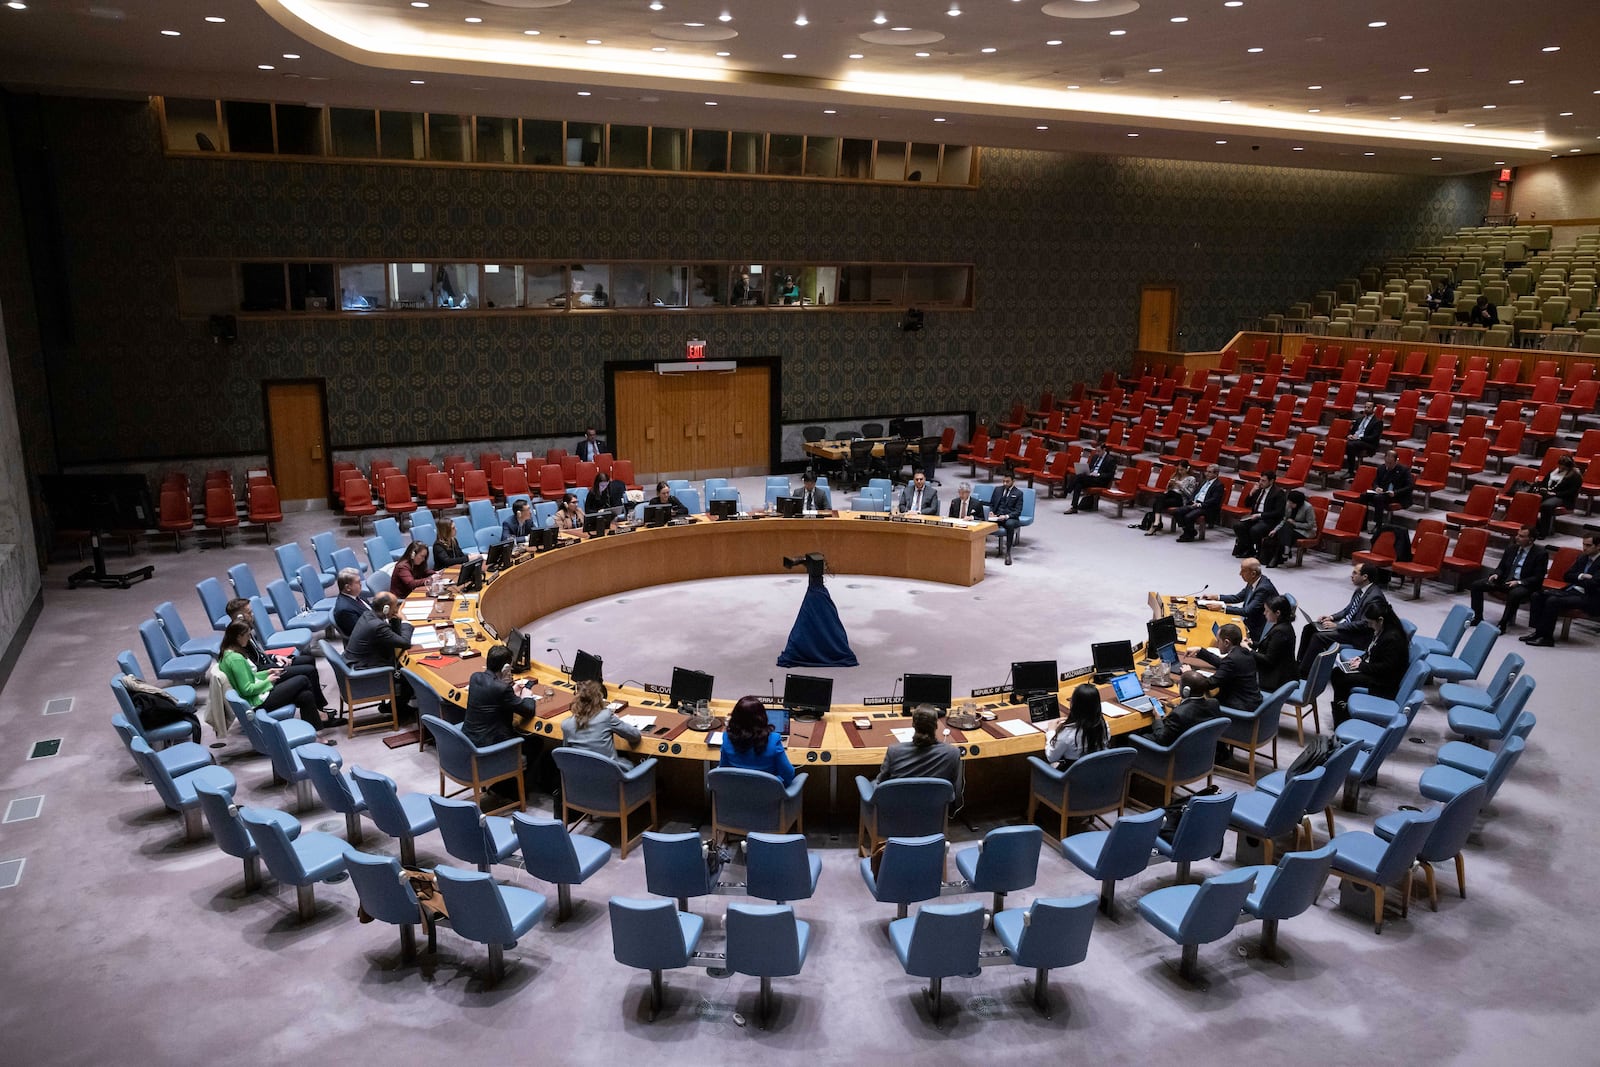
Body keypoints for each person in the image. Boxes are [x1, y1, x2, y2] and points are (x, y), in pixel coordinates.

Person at [217, 619, 329, 730]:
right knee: (303, 679)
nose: (249, 638)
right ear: (238, 636)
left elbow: (250, 676)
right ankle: (319, 713)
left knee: (306, 695)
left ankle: (315, 732)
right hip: (257, 701)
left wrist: (267, 673)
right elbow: (247, 689)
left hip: (257, 695)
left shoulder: (227, 653)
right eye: (247, 636)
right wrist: (268, 680)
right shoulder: (236, 659)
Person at [1298, 562, 1390, 673]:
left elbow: (1365, 624)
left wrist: (1338, 626)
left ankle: (1304, 672)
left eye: (1355, 573)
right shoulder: (1360, 589)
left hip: (1358, 635)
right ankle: (1300, 662)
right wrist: (1331, 617)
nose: (1351, 575)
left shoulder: (1374, 597)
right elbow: (1348, 610)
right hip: (1348, 626)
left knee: (1318, 637)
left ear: (1365, 577)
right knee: (1309, 628)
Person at [1330, 600, 1410, 725]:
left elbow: (1387, 668)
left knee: (1343, 679)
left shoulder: (1393, 638)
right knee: (1337, 672)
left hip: (1384, 682)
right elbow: (1373, 650)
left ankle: (1342, 717)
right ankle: (1341, 709)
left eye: (1370, 623)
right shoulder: (1383, 631)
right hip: (1376, 671)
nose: (1369, 626)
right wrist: (1362, 658)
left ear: (1380, 620)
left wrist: (1362, 666)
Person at [874, 704, 964, 806]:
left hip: (896, 811)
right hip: (933, 812)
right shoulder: (952, 753)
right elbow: (951, 785)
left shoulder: (894, 751)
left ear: (913, 724)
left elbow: (881, 783)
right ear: (936, 725)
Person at [1522, 530, 1600, 647]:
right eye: (1583, 544)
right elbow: (1567, 576)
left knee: (1553, 600)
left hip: (1589, 597)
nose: (1584, 548)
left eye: (1588, 545)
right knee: (1537, 595)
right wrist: (1582, 576)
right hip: (1573, 591)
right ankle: (1538, 632)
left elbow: (1594, 584)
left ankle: (1547, 638)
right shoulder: (1582, 558)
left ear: (1598, 546)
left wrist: (1578, 578)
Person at [1469, 525, 1548, 630]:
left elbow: (1538, 577)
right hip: (1505, 580)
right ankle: (1477, 617)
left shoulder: (1540, 553)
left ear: (1531, 540)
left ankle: (1503, 623)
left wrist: (1519, 582)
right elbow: (1501, 567)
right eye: (1517, 534)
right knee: (1476, 585)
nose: (1517, 537)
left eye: (1521, 536)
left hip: (1524, 585)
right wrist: (1496, 574)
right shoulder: (1512, 548)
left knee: (1515, 593)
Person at [463, 643, 538, 748]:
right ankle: (511, 763)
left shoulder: (475, 677)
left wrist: (510, 690)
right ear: (506, 667)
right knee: (537, 743)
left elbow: (493, 696)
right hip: (491, 744)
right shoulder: (502, 688)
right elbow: (528, 711)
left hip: (469, 739)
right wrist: (526, 695)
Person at [560, 679, 641, 772]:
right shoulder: (606, 716)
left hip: (581, 778)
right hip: (610, 776)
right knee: (635, 763)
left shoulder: (566, 725)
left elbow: (566, 755)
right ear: (599, 699)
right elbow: (635, 736)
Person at [1182, 622, 1262, 711]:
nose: (1217, 644)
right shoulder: (1243, 652)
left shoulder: (1231, 660)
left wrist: (1189, 675)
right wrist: (1200, 651)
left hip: (1241, 704)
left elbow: (1210, 684)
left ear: (1227, 642)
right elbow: (1222, 663)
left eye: (1218, 641)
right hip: (1252, 698)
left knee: (1196, 704)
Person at [719, 695, 796, 784]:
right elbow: (789, 774)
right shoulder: (774, 740)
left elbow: (723, 771)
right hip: (768, 794)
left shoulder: (727, 738)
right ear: (762, 717)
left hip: (737, 792)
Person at [1201, 558, 1278, 641]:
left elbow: (1247, 611)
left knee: (1222, 636)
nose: (1240, 574)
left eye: (1243, 571)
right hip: (1248, 621)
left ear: (1253, 573)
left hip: (1254, 629)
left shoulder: (1263, 589)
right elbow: (1238, 597)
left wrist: (1222, 608)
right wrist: (1216, 597)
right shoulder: (1254, 580)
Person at [1044, 684, 1109, 768]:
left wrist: (1051, 731)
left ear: (1074, 705)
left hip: (1072, 776)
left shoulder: (1067, 734)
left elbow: (1051, 757)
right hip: (1098, 771)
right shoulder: (1103, 726)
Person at [1247, 595, 1299, 693]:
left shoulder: (1281, 631)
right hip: (1277, 670)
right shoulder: (1281, 624)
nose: (1264, 613)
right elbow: (1270, 645)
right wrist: (1252, 643)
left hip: (1275, 679)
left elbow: (1268, 660)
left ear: (1277, 613)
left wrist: (1249, 650)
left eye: (1267, 611)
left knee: (1239, 673)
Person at [1233, 469, 1285, 558]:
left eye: (1263, 481)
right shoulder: (1258, 489)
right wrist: (1251, 493)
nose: (1260, 482)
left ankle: (1259, 551)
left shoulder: (1278, 493)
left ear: (1271, 481)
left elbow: (1278, 512)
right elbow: (1247, 504)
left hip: (1268, 519)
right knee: (1238, 526)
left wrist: (1260, 515)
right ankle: (1249, 549)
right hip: (1254, 516)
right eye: (1260, 480)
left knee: (1255, 530)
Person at [1360, 450, 1413, 533]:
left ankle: (1378, 525)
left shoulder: (1404, 470)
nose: (1388, 465)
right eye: (1387, 462)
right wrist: (1376, 488)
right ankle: (1362, 524)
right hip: (1383, 493)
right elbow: (1375, 482)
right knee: (1364, 496)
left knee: (1378, 498)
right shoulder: (1381, 468)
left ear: (1396, 461)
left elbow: (1409, 486)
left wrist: (1395, 492)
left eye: (1391, 463)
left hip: (1397, 495)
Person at [1262, 489, 1316, 568]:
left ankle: (1277, 558)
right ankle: (1285, 550)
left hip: (1304, 531)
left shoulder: (1308, 508)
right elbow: (1284, 520)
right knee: (1282, 530)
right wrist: (1275, 529)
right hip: (1289, 529)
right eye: (1289, 501)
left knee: (1284, 531)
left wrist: (1295, 524)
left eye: (1292, 503)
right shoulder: (1288, 505)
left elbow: (1310, 525)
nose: (1289, 504)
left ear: (1298, 503)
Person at [1141, 459, 1196, 535]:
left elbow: (1190, 494)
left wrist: (1180, 486)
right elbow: (1166, 491)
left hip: (1179, 498)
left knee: (1157, 501)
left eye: (1182, 470)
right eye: (1179, 469)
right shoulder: (1175, 475)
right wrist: (1169, 485)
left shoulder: (1191, 479)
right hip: (1170, 494)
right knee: (1159, 498)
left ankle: (1155, 524)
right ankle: (1157, 522)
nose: (1180, 471)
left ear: (1187, 469)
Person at [1173, 463, 1225, 542]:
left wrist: (1200, 504)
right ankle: (1190, 531)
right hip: (1195, 503)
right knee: (1178, 511)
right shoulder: (1203, 481)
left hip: (1206, 507)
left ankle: (1188, 535)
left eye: (1209, 472)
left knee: (1188, 516)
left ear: (1216, 473)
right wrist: (1192, 500)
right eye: (1206, 471)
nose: (1207, 474)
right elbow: (1195, 492)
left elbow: (1214, 500)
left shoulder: (1218, 485)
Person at [1533, 454, 1581, 538]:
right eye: (1560, 465)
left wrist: (1555, 494)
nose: (1561, 468)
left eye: (1563, 466)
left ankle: (1543, 531)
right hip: (1548, 494)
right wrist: (1543, 489)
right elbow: (1544, 483)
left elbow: (1571, 492)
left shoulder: (1575, 476)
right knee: (1530, 500)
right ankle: (1533, 527)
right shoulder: (1552, 472)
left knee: (1546, 505)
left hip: (1563, 498)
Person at [1064, 447, 1117, 513]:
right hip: (1091, 478)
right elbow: (1090, 467)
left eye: (1099, 451)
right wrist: (1086, 471)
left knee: (1079, 477)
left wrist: (1098, 474)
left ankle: (1066, 492)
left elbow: (1110, 475)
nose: (1097, 453)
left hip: (1100, 481)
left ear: (1104, 450)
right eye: (1096, 451)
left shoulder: (1110, 460)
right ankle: (1074, 507)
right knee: (1078, 484)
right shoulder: (1095, 457)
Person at [988, 470, 1024, 565]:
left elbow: (1018, 511)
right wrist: (991, 512)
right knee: (983, 522)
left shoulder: (1019, 493)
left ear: (1013, 481)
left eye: (1007, 481)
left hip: (1010, 518)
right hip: (997, 516)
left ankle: (1008, 552)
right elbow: (991, 504)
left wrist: (1006, 516)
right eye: (1003, 481)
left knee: (1009, 524)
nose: (1005, 483)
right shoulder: (997, 490)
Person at [1345, 402, 1385, 474]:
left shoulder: (1377, 422)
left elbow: (1374, 437)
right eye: (1365, 407)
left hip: (1368, 443)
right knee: (1341, 443)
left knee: (1350, 445)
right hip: (1356, 440)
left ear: (1374, 409)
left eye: (1368, 408)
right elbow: (1352, 431)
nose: (1366, 409)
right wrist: (1350, 435)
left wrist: (1359, 438)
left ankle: (1350, 471)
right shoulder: (1359, 419)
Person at [331, 567, 369, 638]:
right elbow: (362, 632)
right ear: (348, 587)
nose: (361, 584)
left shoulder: (355, 596)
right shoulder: (345, 610)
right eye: (358, 582)